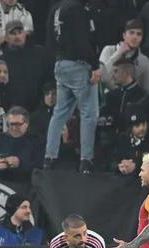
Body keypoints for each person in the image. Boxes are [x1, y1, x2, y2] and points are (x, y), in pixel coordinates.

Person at [44, 0, 100, 174]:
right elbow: (82, 41)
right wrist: (95, 65)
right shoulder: (77, 9)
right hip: (78, 64)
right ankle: (86, 160)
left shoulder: (56, 8)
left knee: (60, 113)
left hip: (60, 63)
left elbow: (49, 41)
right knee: (89, 114)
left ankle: (49, 157)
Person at [0, 20, 53, 111]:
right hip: (13, 111)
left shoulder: (40, 53)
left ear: (25, 34)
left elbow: (51, 76)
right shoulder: (2, 61)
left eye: (20, 32)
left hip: (40, 108)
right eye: (13, 33)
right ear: (6, 38)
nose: (17, 36)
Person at [0, 106, 43, 180]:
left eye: (18, 124)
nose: (14, 128)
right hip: (1, 182)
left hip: (26, 183)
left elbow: (41, 166)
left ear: (27, 124)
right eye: (11, 124)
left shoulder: (37, 141)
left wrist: (20, 164)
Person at [100, 19, 149, 92]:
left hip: (132, 97)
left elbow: (148, 89)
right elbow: (102, 77)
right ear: (124, 35)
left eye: (139, 34)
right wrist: (118, 53)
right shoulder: (108, 50)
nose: (135, 37)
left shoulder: (144, 60)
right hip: (108, 94)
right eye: (131, 33)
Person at [113, 109, 149, 175]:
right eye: (137, 125)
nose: (141, 128)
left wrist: (136, 166)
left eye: (144, 124)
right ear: (131, 127)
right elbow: (113, 160)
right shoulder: (123, 139)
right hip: (123, 178)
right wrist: (120, 166)